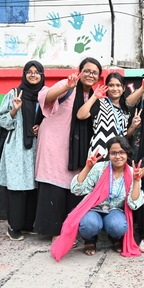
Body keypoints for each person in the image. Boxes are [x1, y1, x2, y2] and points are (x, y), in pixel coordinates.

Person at [34, 57, 102, 241]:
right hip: (54, 144)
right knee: (54, 185)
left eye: (95, 73)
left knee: (72, 186)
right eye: (87, 71)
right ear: (80, 71)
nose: (90, 75)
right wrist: (67, 87)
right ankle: (55, 232)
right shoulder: (68, 84)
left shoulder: (93, 96)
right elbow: (45, 97)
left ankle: (70, 229)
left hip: (75, 149)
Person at [51, 136, 144, 260]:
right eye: (113, 153)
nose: (118, 156)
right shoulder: (100, 168)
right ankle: (89, 239)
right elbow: (77, 189)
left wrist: (137, 181)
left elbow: (133, 204)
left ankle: (115, 238)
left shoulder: (133, 172)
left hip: (115, 210)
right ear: (109, 154)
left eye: (121, 152)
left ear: (127, 153)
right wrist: (88, 167)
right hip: (94, 209)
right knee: (89, 224)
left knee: (118, 226)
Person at [0, 60, 44, 240]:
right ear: (24, 74)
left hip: (37, 148)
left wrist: (41, 126)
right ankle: (14, 227)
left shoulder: (44, 95)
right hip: (17, 147)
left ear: (42, 75)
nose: (33, 75)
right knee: (16, 187)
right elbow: (2, 121)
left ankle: (27, 225)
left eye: (36, 72)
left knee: (33, 186)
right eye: (29, 72)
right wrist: (14, 110)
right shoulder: (14, 94)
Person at [76, 72, 141, 158]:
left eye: (118, 85)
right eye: (111, 85)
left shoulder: (125, 109)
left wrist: (133, 126)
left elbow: (125, 134)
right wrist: (94, 97)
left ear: (124, 88)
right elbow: (80, 115)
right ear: (107, 87)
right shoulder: (100, 103)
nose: (115, 88)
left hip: (118, 155)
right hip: (99, 153)